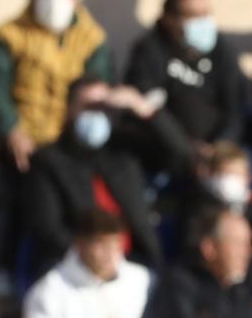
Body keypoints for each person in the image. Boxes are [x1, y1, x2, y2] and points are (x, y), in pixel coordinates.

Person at [0, 0, 115, 290]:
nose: (55, 0)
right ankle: (8, 272)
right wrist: (11, 129)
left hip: (71, 144)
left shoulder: (92, 39)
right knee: (30, 188)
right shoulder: (9, 34)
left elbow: (98, 89)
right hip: (23, 144)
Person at [22, 77, 163, 276]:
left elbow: (181, 157)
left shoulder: (124, 157)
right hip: (78, 268)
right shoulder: (48, 161)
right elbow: (48, 230)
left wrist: (143, 109)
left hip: (133, 266)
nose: (97, 114)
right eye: (89, 107)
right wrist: (97, 258)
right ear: (70, 110)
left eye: (104, 107)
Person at [124, 0, 250, 179]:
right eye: (192, 15)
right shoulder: (149, 51)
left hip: (219, 151)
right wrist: (189, 149)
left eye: (205, 13)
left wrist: (222, 144)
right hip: (166, 152)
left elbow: (235, 104)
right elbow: (149, 107)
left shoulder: (222, 50)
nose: (202, 21)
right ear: (169, 19)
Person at [22, 208, 153, 318]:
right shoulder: (48, 293)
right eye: (101, 244)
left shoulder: (140, 280)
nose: (110, 253)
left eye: (115, 244)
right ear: (80, 243)